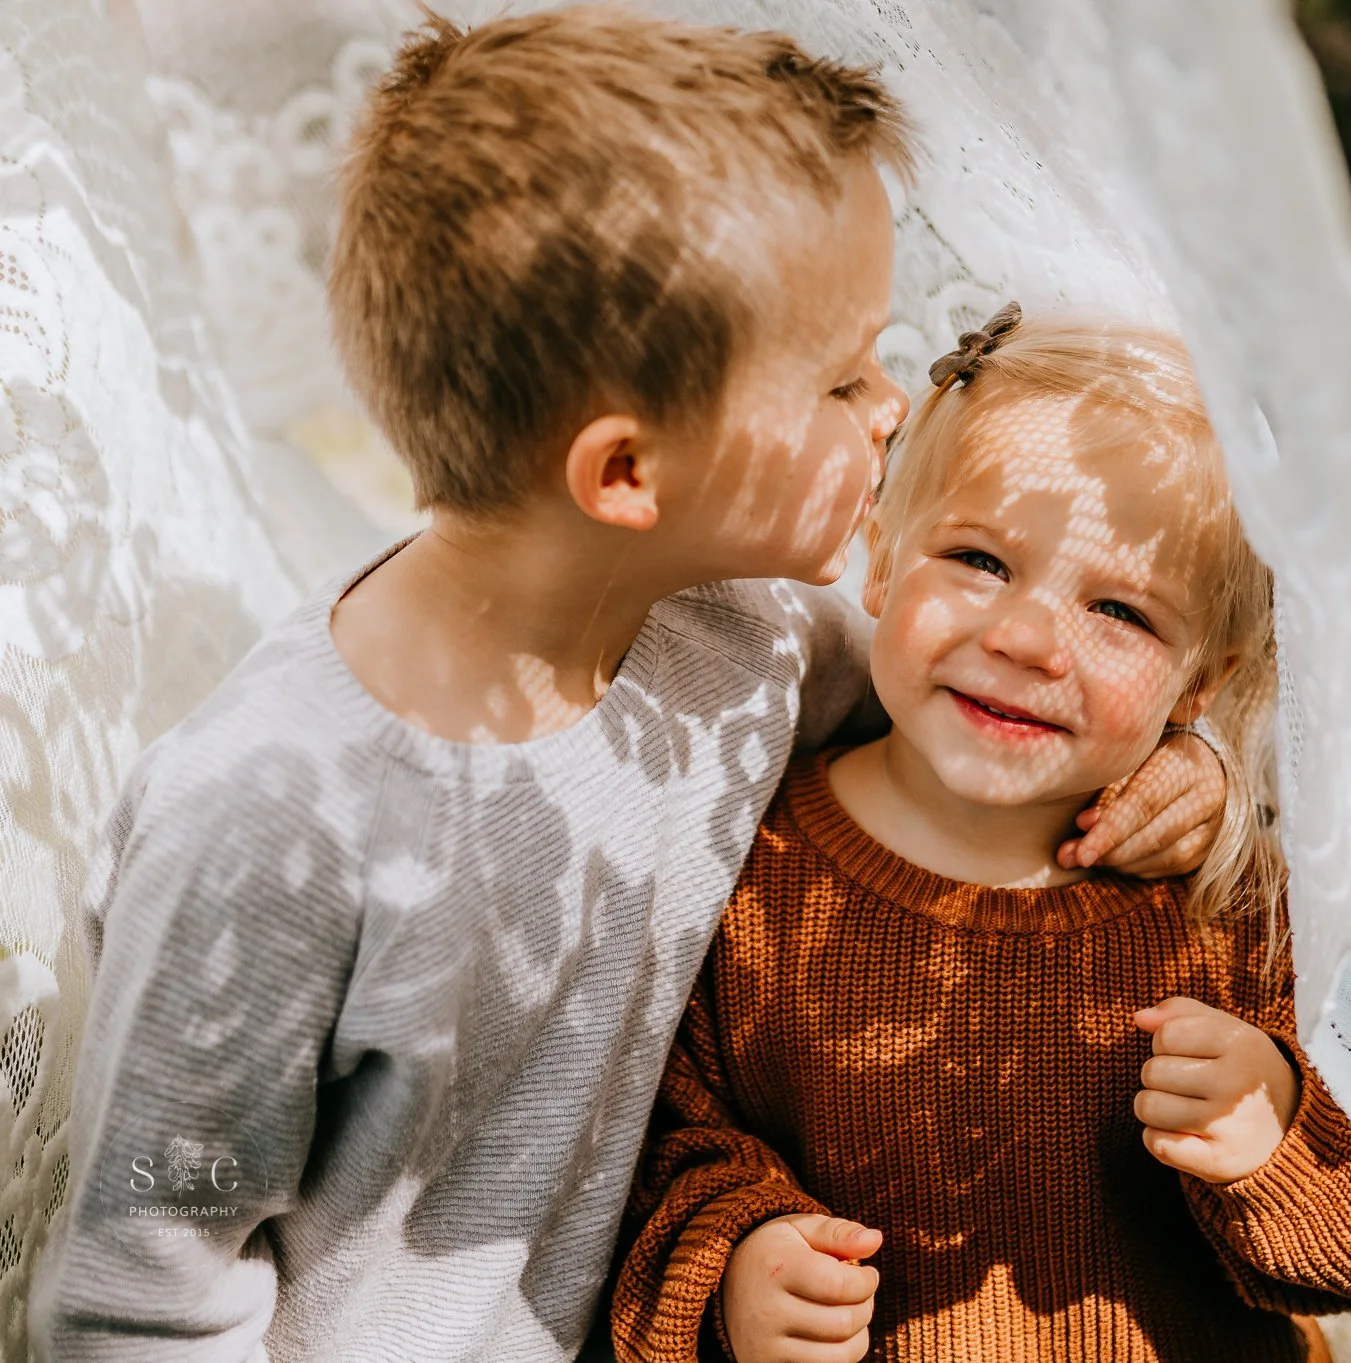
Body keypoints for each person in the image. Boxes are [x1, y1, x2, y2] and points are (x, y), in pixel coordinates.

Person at [29, 14, 1223, 1362]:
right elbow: (142, 1298)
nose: (891, 407)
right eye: (841, 377)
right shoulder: (268, 827)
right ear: (626, 476)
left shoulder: (745, 645)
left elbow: (968, 714)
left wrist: (1179, 768)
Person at [609, 312, 1351, 1363]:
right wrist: (735, 1266)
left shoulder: (1230, 902)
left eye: (1120, 611)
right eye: (977, 558)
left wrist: (1275, 1126)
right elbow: (668, 1148)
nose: (1022, 639)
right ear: (880, 560)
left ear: (1203, 680)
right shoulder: (752, 868)